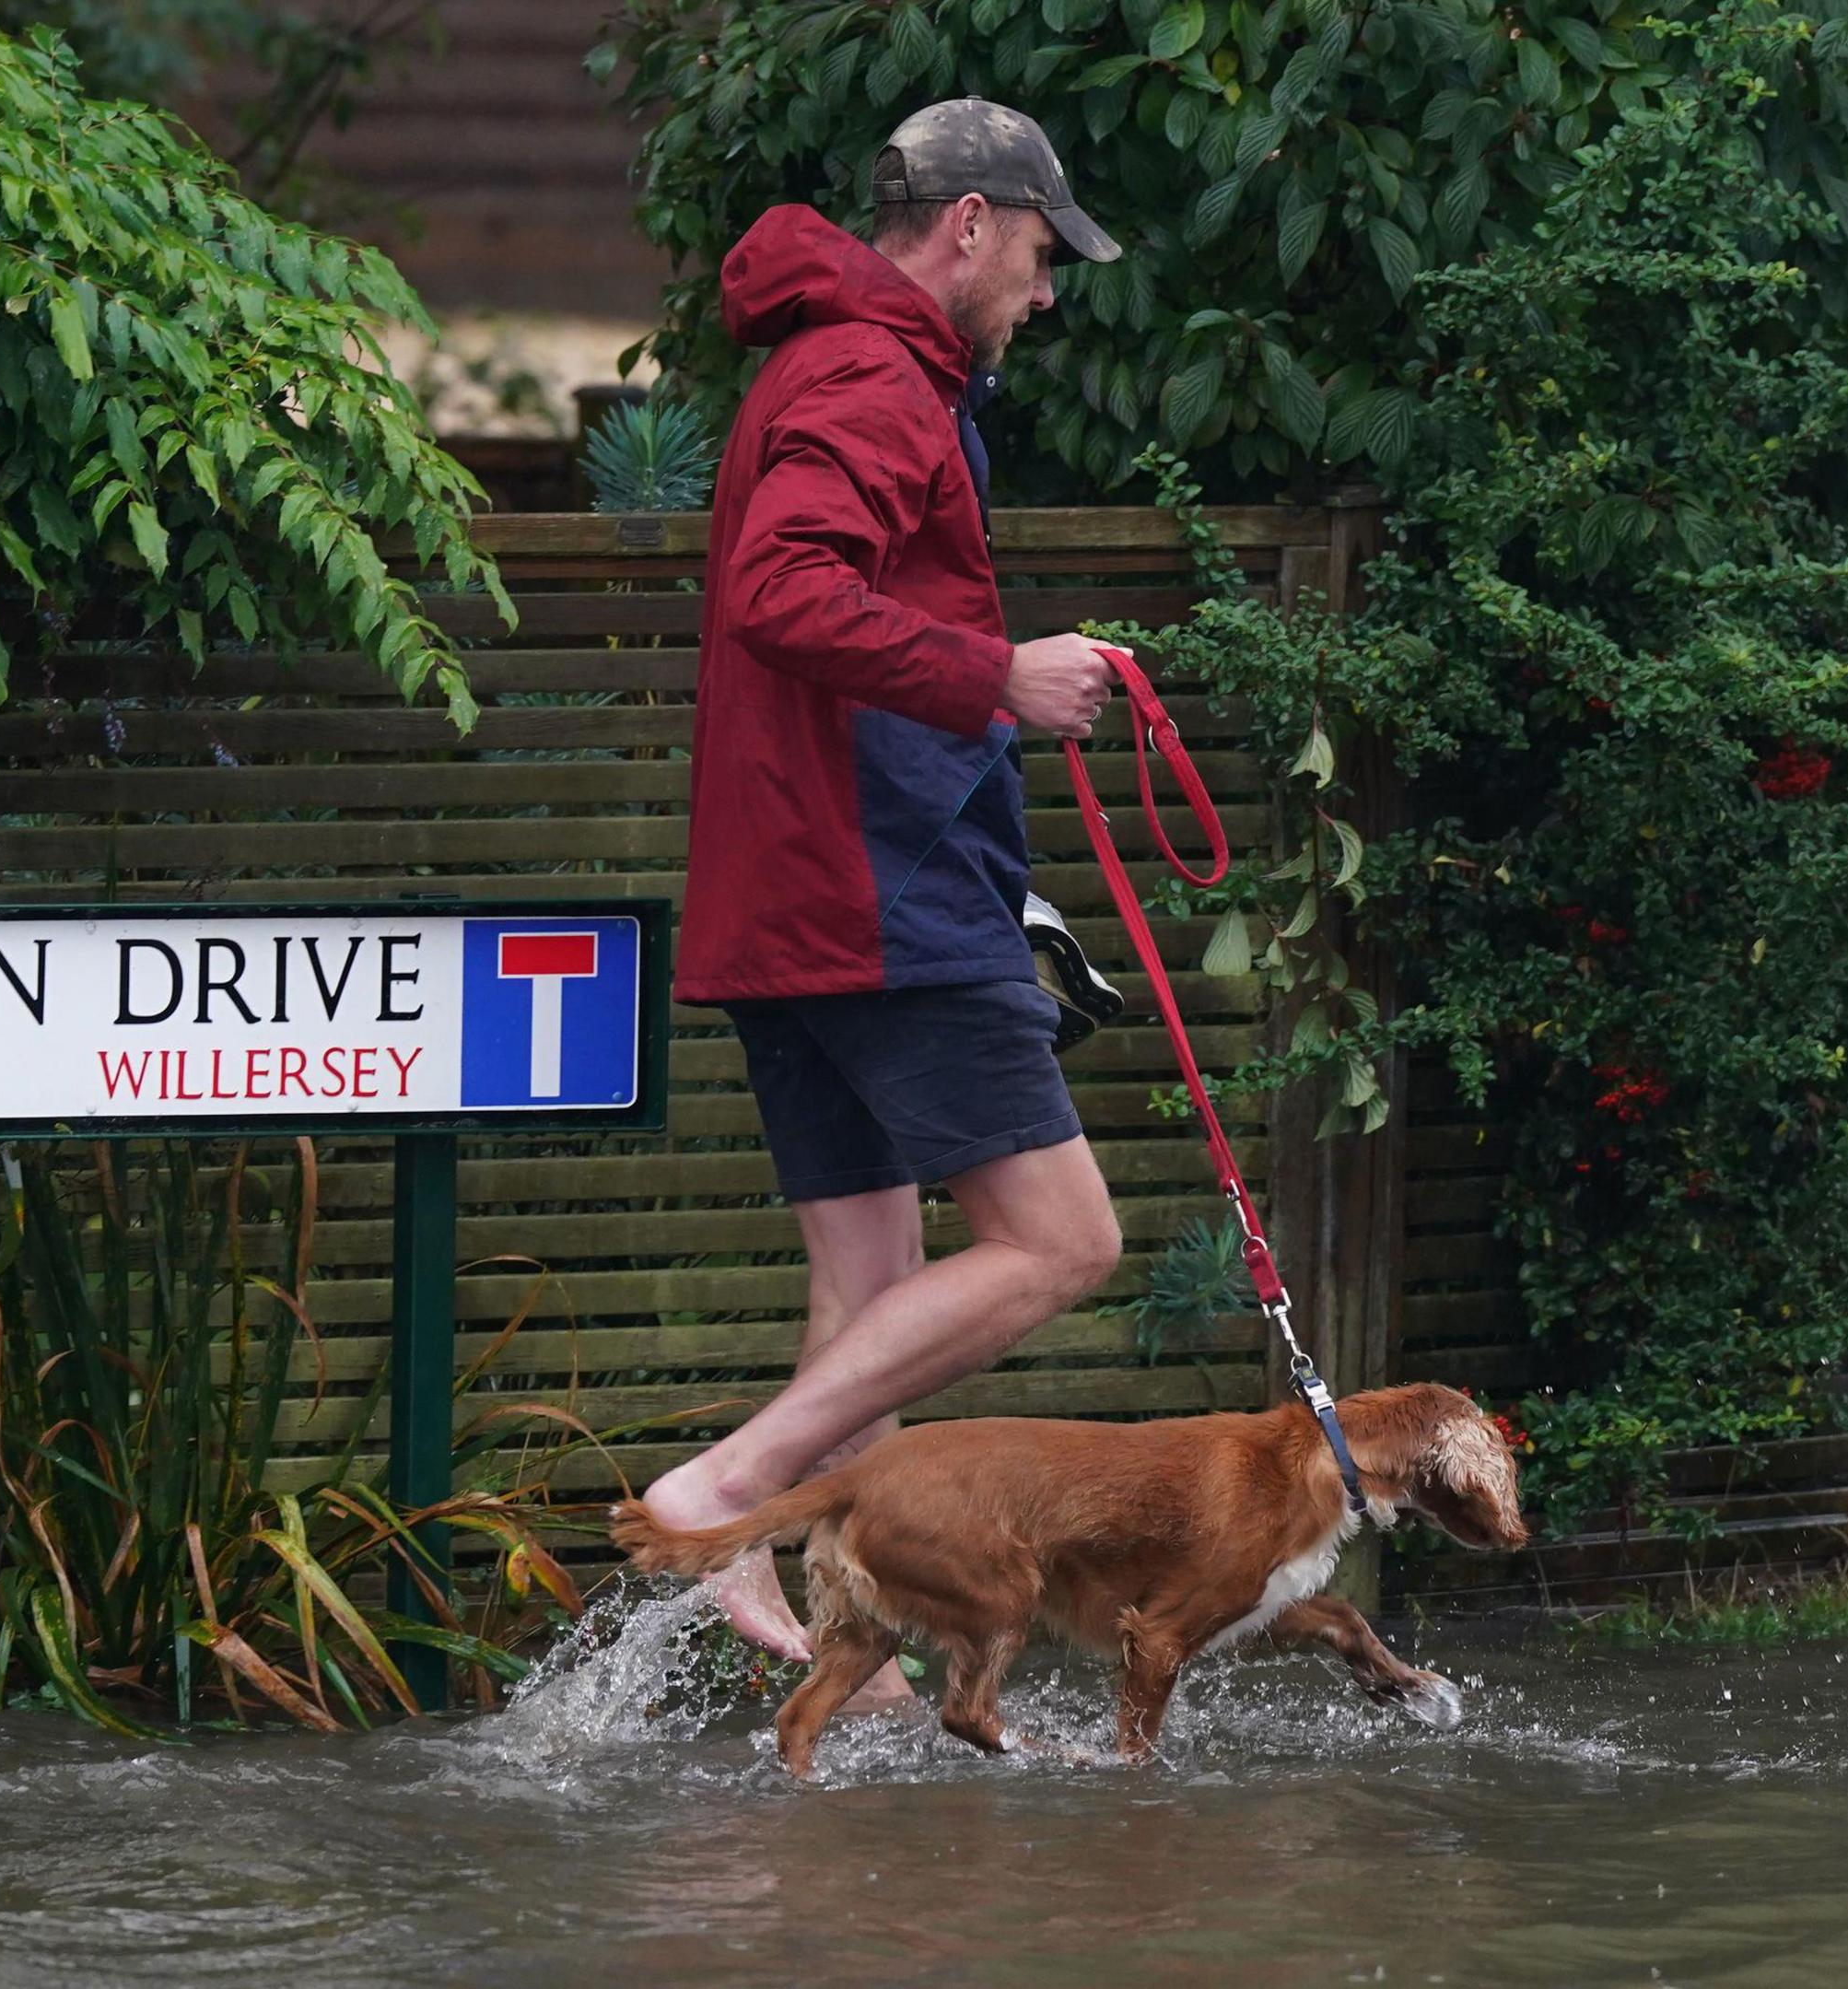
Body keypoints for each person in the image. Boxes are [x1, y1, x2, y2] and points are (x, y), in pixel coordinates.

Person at [646, 99, 1129, 1682]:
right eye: (1044, 256)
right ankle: (734, 1491)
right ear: (973, 224)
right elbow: (784, 591)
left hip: (801, 899)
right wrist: (999, 673)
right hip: (878, 896)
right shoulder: (873, 369)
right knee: (1063, 1246)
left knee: (875, 1290)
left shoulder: (821, 356)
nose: (1044, 296)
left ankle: (826, 1609)